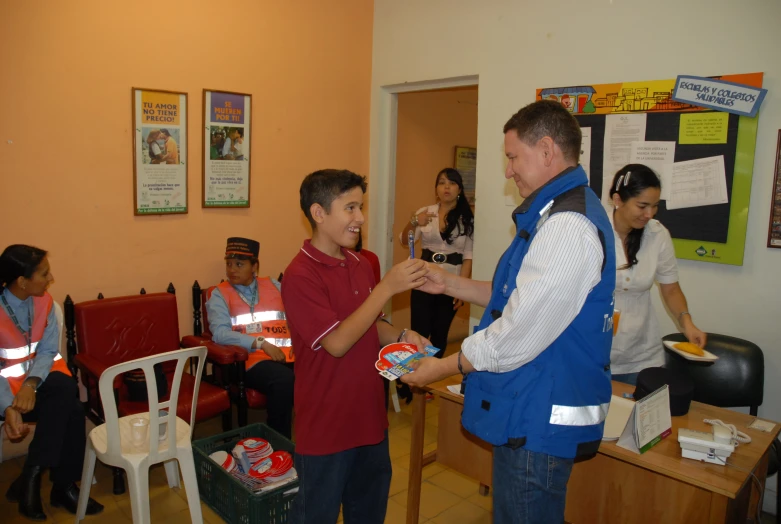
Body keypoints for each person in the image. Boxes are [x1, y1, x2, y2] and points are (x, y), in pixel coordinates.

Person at [401, 100, 616, 524]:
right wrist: (448, 283)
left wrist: (441, 367)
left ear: (548, 151)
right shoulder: (554, 214)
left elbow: (518, 331)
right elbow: (515, 296)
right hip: (529, 406)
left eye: (513, 157)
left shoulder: (567, 227)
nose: (508, 170)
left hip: (539, 420)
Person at [282, 169, 431, 524]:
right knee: (315, 515)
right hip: (326, 429)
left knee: (368, 513)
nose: (360, 218)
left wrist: (401, 336)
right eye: (349, 208)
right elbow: (335, 342)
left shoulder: (361, 265)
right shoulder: (300, 275)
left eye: (360, 207)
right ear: (319, 213)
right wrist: (387, 287)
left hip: (369, 420)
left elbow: (371, 324)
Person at [0, 245, 103, 521]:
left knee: (66, 393)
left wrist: (31, 384)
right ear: (22, 281)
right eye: (44, 274)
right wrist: (9, 406)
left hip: (37, 385)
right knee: (72, 409)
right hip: (4, 393)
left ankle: (30, 477)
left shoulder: (44, 302)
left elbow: (47, 352)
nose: (50, 278)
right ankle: (62, 486)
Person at [608, 164, 707, 385]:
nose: (649, 214)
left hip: (641, 354)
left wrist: (687, 323)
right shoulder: (593, 231)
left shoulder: (657, 234)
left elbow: (670, 288)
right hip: (595, 352)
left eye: (654, 206)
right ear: (618, 200)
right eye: (642, 205)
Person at [396, 168, 474, 403]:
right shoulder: (424, 213)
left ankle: (428, 379)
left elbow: (468, 256)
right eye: (441, 183)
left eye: (451, 183)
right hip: (422, 279)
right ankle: (406, 381)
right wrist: (412, 221)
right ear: (436, 189)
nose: (446, 187)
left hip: (451, 282)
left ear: (459, 189)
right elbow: (404, 239)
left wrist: (463, 288)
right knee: (417, 332)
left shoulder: (466, 219)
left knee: (439, 335)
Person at [205, 237, 295, 438]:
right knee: (284, 380)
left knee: (323, 367)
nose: (232, 270)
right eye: (229, 264)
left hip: (288, 355)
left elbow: (295, 313)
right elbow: (220, 333)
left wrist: (299, 340)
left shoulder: (273, 284)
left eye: (239, 264)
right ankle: (279, 443)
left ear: (255, 266)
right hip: (249, 361)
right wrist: (260, 343)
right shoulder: (219, 294)